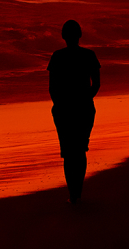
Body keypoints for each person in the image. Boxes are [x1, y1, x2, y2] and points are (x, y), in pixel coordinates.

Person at [48, 19, 100, 203]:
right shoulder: (89, 55)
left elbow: (52, 87)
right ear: (80, 35)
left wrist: (61, 103)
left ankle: (73, 194)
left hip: (63, 109)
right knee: (80, 150)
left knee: (69, 152)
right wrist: (85, 99)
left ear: (63, 36)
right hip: (84, 108)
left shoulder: (57, 56)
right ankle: (77, 192)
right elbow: (97, 84)